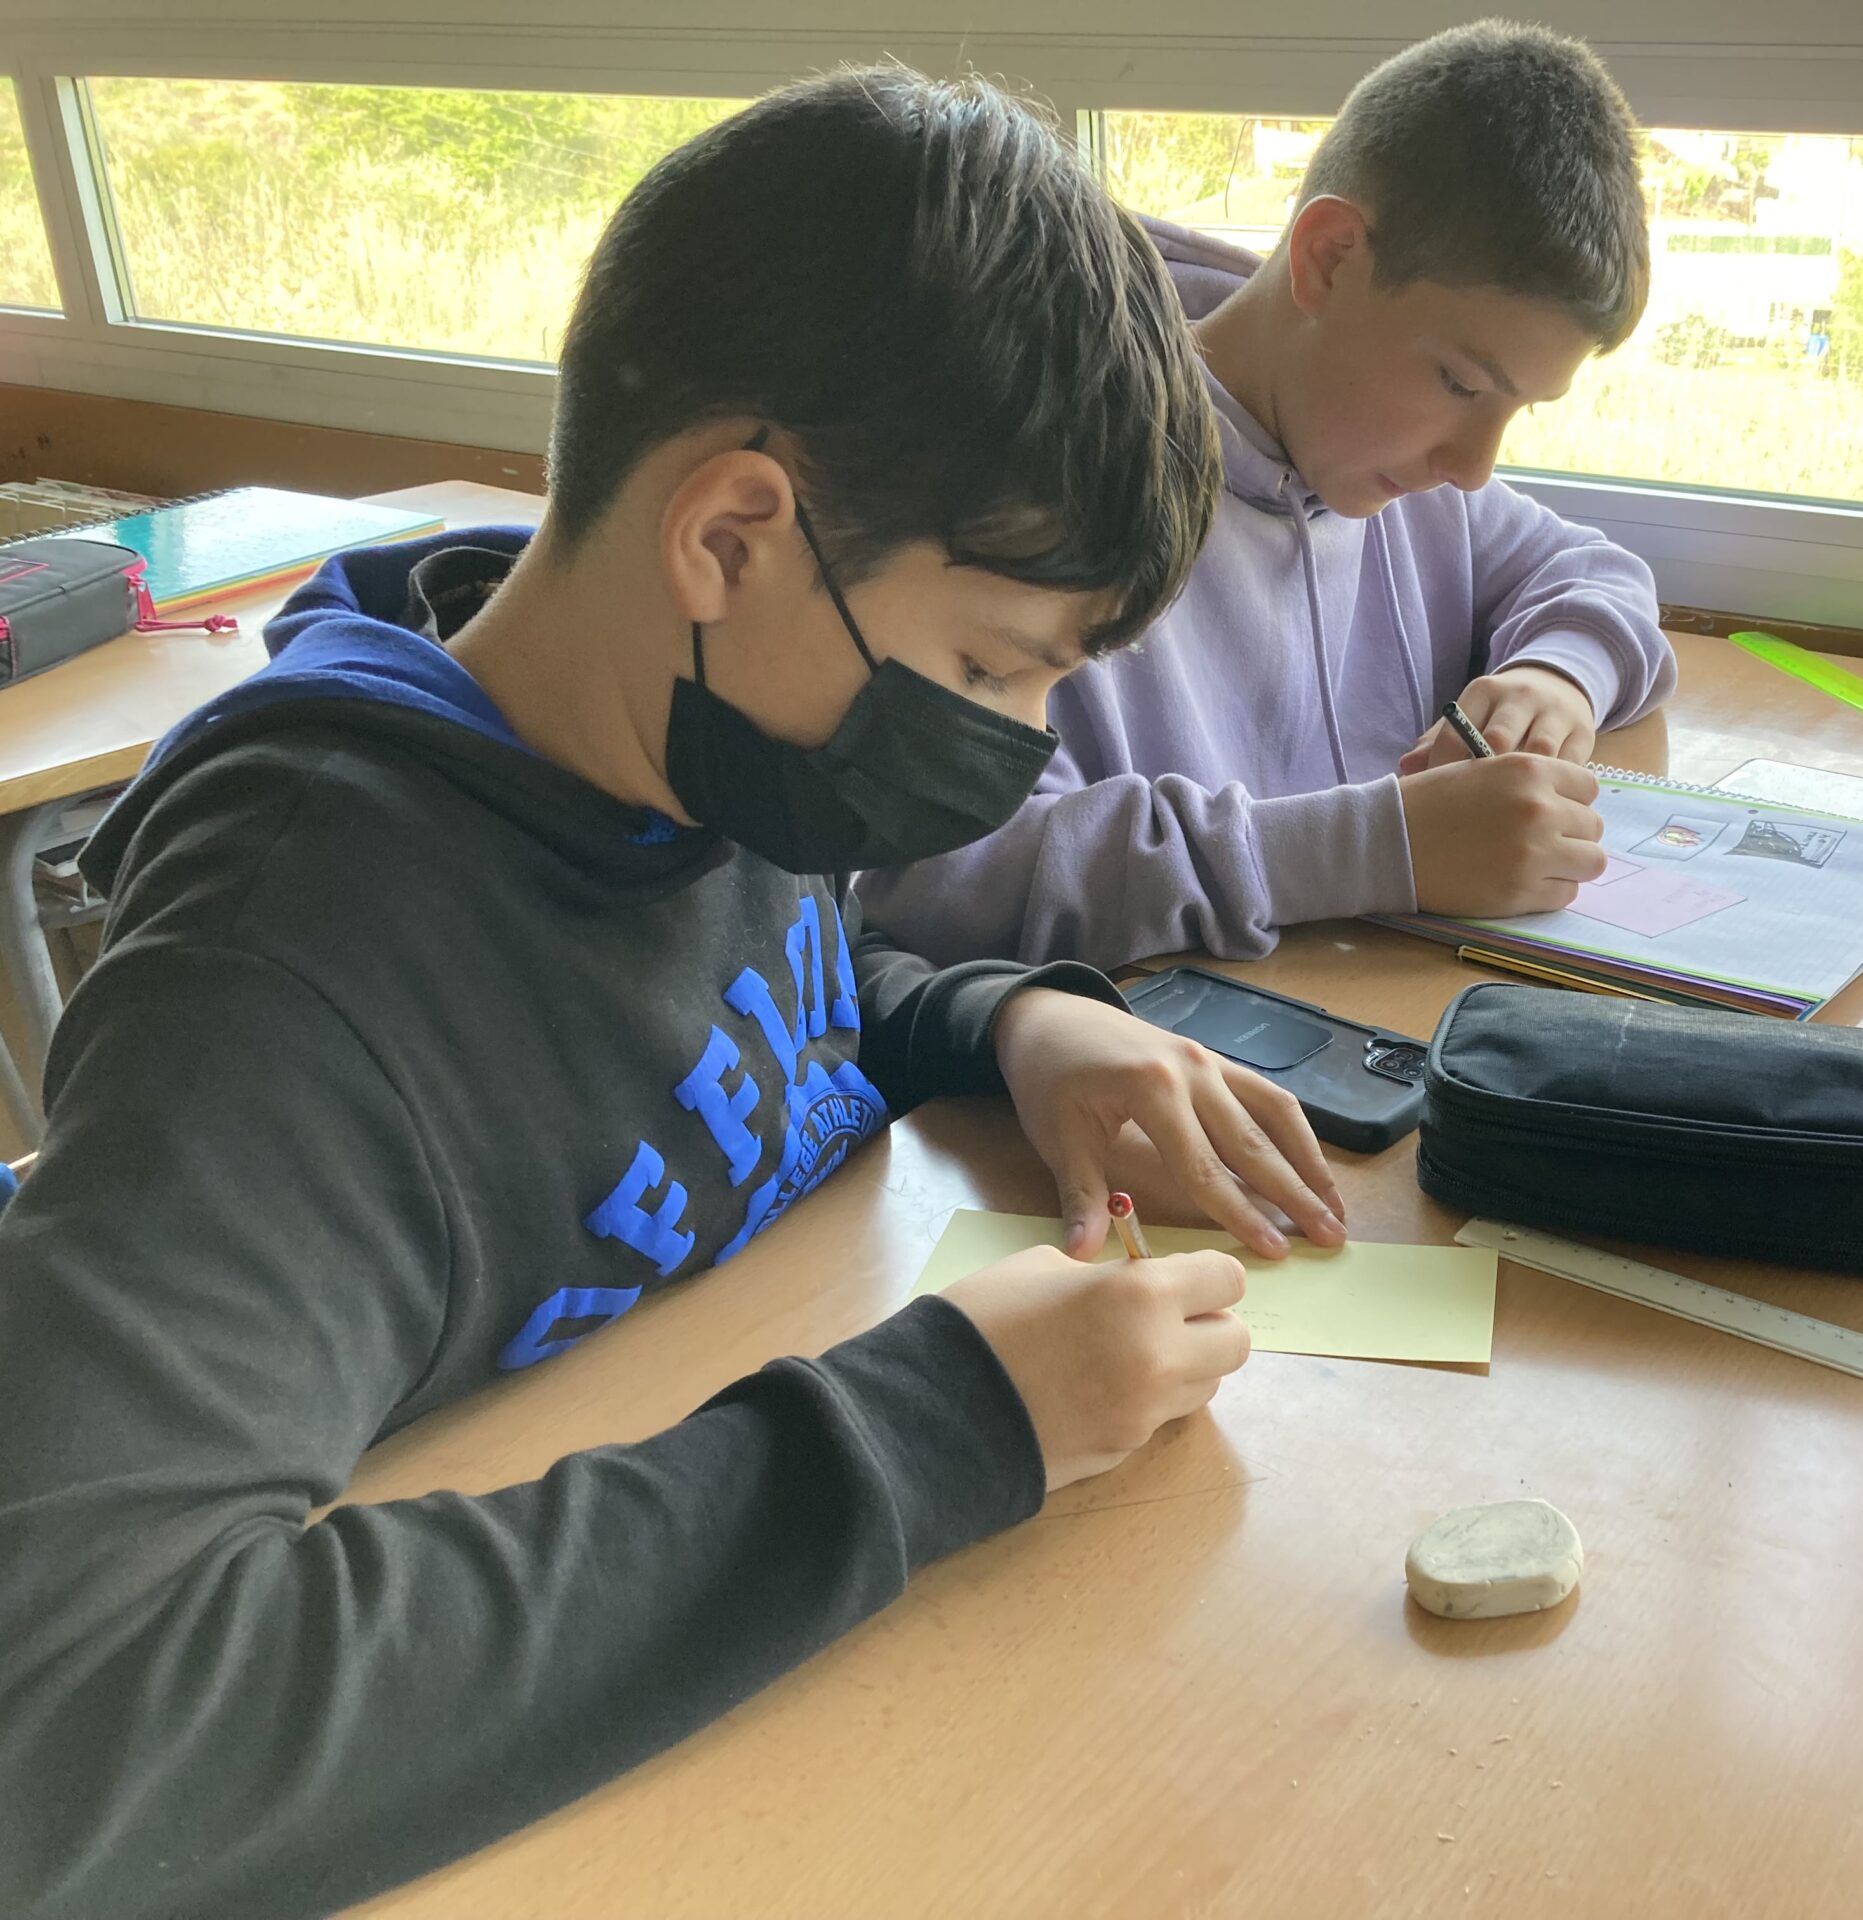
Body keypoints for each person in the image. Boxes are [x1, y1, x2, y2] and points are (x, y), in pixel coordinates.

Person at [0, 69, 1349, 1917]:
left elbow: (743, 1011)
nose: (1015, 751)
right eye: (988, 669)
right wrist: (949, 1424)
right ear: (728, 536)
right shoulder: (284, 977)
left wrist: (1015, 1028)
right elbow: (81, 1718)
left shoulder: (694, 738)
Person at [857, 21, 1674, 973]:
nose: (1474, 465)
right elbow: (941, 879)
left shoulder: (1405, 480)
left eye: (1517, 408)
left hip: (1360, 1009)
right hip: (1145, 1040)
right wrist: (1376, 848)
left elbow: (1593, 570)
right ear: (1329, 259)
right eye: (1460, 383)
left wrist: (1556, 677)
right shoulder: (1053, 478)